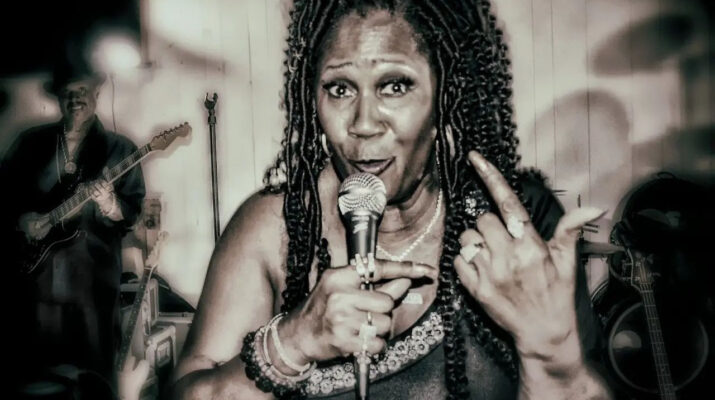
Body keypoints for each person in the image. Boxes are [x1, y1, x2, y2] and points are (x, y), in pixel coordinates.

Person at [171, 1, 614, 399]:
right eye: (340, 89)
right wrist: (293, 342)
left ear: (444, 98)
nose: (364, 123)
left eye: (395, 86)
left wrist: (551, 356)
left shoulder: (514, 227)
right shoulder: (275, 229)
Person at [0, 52, 146, 397]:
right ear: (58, 98)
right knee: (34, 373)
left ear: (96, 93)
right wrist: (21, 220)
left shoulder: (119, 149)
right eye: (68, 91)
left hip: (91, 286)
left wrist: (111, 204)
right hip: (34, 284)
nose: (75, 98)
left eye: (82, 90)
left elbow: (132, 212)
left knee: (93, 376)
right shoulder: (31, 143)